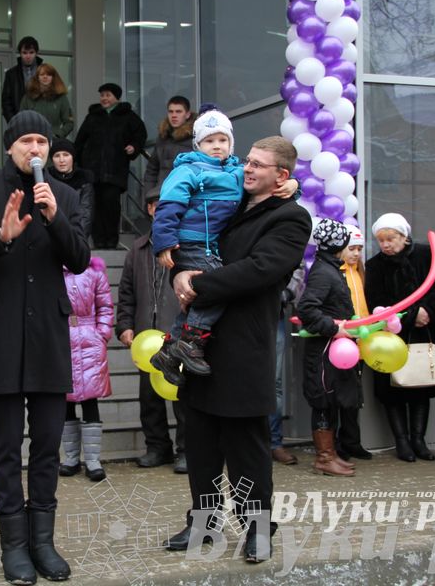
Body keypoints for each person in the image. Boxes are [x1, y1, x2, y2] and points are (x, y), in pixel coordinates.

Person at [0, 110, 89, 584]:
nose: (35, 148)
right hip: (1, 333)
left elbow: (81, 257)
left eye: (42, 141)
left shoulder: (64, 195)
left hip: (48, 333)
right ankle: (13, 546)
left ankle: (43, 542)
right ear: (10, 146)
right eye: (26, 140)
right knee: (7, 445)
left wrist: (54, 218)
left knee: (47, 444)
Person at [165, 136, 311, 562]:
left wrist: (197, 284)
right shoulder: (232, 202)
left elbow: (262, 269)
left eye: (258, 165)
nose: (247, 169)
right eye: (247, 161)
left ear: (281, 176)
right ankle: (203, 525)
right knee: (202, 443)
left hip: (244, 346)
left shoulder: (291, 216)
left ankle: (258, 529)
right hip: (201, 343)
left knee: (247, 447)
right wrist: (178, 271)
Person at [149, 106, 298, 383]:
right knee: (214, 289)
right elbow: (169, 207)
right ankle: (191, 341)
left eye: (223, 140)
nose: (217, 146)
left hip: (210, 245)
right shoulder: (189, 170)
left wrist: (293, 186)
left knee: (206, 290)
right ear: (197, 144)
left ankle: (171, 348)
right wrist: (164, 243)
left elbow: (278, 178)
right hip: (192, 242)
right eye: (209, 141)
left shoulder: (235, 172)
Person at [365, 212, 435, 462]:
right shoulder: (374, 266)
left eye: (391, 239)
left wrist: (428, 311)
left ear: (404, 236)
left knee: (421, 386)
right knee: (392, 390)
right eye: (381, 240)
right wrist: (411, 316)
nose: (385, 245)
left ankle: (419, 439)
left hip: (426, 332)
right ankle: (401, 441)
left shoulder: (427, 255)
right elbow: (376, 302)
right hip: (391, 337)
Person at [115, 186, 188, 474]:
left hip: (180, 334)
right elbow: (127, 292)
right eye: (159, 205)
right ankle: (157, 447)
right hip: (146, 337)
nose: (164, 210)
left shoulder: (188, 244)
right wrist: (124, 325)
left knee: (183, 397)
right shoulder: (138, 248)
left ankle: (187, 451)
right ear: (150, 209)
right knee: (149, 397)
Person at [296, 218, 360, 477]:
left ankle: (330, 454)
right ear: (339, 244)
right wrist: (335, 329)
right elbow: (307, 309)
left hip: (331, 351)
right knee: (322, 402)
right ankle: (324, 458)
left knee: (330, 400)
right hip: (323, 350)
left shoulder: (330, 269)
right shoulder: (324, 272)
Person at [59, 256, 113, 482]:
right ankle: (71, 458)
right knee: (65, 401)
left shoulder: (95, 272)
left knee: (90, 400)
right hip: (60, 339)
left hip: (90, 339)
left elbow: (105, 306)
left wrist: (102, 333)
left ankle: (93, 460)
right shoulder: (52, 271)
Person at [74, 83, 147, 249]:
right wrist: (77, 164)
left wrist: (134, 146)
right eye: (102, 95)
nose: (104, 98)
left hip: (115, 170)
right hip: (92, 170)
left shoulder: (128, 116)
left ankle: (111, 239)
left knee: (111, 204)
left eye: (108, 95)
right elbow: (79, 141)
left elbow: (140, 135)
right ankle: (98, 239)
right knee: (95, 205)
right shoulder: (93, 117)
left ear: (117, 97)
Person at [336, 224, 373, 461]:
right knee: (341, 394)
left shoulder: (359, 271)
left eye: (359, 249)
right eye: (352, 248)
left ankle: (352, 440)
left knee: (355, 394)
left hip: (361, 339)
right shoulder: (336, 272)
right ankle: (340, 443)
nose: (356, 253)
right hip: (342, 340)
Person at [270, 264, 305, 465]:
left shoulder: (280, 233)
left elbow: (297, 267)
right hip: (241, 314)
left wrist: (287, 293)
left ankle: (274, 443)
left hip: (274, 313)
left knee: (274, 382)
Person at [143, 96, 194, 193]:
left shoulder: (196, 138)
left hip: (186, 194)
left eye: (178, 112)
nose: (174, 115)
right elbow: (151, 171)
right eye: (171, 112)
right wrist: (149, 195)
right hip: (161, 194)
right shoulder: (163, 138)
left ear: (187, 115)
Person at [47, 138, 93, 236]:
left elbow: (86, 213)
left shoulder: (83, 180)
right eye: (57, 156)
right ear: (52, 159)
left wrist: (77, 239)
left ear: (72, 157)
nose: (62, 160)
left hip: (76, 236)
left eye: (66, 155)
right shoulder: (46, 178)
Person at [19, 63, 74, 138]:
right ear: (37, 77)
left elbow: (69, 123)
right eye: (42, 74)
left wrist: (59, 134)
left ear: (53, 77)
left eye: (48, 74)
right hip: (33, 140)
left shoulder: (61, 98)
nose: (45, 77)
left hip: (54, 140)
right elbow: (20, 120)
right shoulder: (28, 97)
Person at [2, 35, 42, 122]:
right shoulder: (11, 74)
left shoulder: (45, 72)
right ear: (20, 53)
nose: (28, 56)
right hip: (19, 120)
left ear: (36, 53)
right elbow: (6, 102)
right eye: (24, 53)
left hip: (41, 119)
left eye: (31, 52)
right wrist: (13, 121)